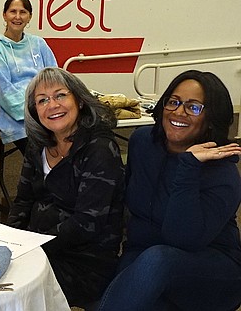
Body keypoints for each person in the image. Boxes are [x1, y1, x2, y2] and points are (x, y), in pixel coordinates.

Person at [98, 70, 241, 310]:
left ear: (210, 118)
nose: (178, 112)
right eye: (173, 102)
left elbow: (183, 239)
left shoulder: (224, 174)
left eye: (194, 107)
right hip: (145, 254)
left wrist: (189, 166)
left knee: (156, 262)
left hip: (209, 269)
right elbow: (132, 207)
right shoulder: (142, 142)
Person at [7, 67, 124, 308]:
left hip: (84, 262)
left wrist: (32, 249)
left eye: (60, 95)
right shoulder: (38, 144)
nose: (52, 105)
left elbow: (86, 223)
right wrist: (9, 242)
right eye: (42, 100)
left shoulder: (99, 149)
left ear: (79, 100)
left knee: (10, 289)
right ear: (34, 110)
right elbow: (23, 201)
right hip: (38, 249)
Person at [0, 0, 57, 154]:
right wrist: (35, 115)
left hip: (47, 109)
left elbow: (56, 79)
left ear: (30, 16)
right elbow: (3, 90)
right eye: (13, 11)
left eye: (23, 12)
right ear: (4, 15)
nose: (17, 17)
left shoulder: (39, 43)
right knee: (42, 154)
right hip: (17, 116)